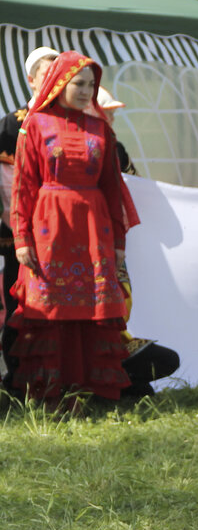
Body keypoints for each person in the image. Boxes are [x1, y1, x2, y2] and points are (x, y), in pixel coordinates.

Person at [9, 51, 139, 405]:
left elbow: (113, 188)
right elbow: (23, 187)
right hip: (48, 227)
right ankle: (48, 393)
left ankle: (90, 391)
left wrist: (119, 242)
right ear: (60, 83)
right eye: (78, 83)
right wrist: (22, 238)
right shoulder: (35, 125)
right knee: (50, 307)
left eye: (91, 85)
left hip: (94, 230)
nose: (86, 91)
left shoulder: (101, 129)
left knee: (92, 307)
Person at [89, 86, 182, 396]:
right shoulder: (86, 146)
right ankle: (99, 376)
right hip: (88, 244)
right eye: (108, 112)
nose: (113, 118)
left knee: (121, 298)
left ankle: (117, 370)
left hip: (114, 242)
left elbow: (137, 185)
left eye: (114, 114)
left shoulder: (117, 148)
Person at [0, 46, 58, 385]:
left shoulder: (71, 121)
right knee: (18, 303)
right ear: (30, 80)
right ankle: (18, 379)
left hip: (62, 236)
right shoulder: (10, 125)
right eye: (46, 74)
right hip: (18, 236)